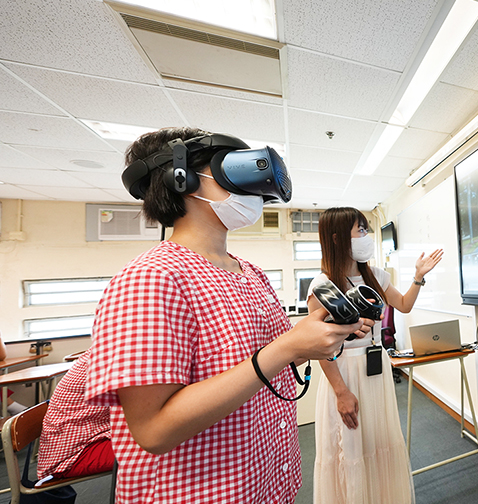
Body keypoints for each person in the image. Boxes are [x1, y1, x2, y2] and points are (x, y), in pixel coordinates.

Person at [84, 127, 374, 503]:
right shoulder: (150, 278)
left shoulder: (249, 272)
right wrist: (286, 347)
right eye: (227, 170)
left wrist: (312, 340)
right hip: (204, 493)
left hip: (267, 481)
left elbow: (268, 362)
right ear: (182, 177)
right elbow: (154, 430)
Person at [307, 207, 443, 504]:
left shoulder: (376, 275)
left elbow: (404, 305)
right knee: (350, 446)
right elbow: (319, 348)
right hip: (342, 374)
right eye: (361, 230)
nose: (367, 237)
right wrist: (341, 392)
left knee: (379, 442)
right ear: (337, 237)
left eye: (366, 230)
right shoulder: (321, 286)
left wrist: (418, 276)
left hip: (376, 367)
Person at [37, 347, 113, 482]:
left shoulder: (109, 348)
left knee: (155, 438)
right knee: (155, 446)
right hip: (71, 454)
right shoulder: (114, 357)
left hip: (91, 434)